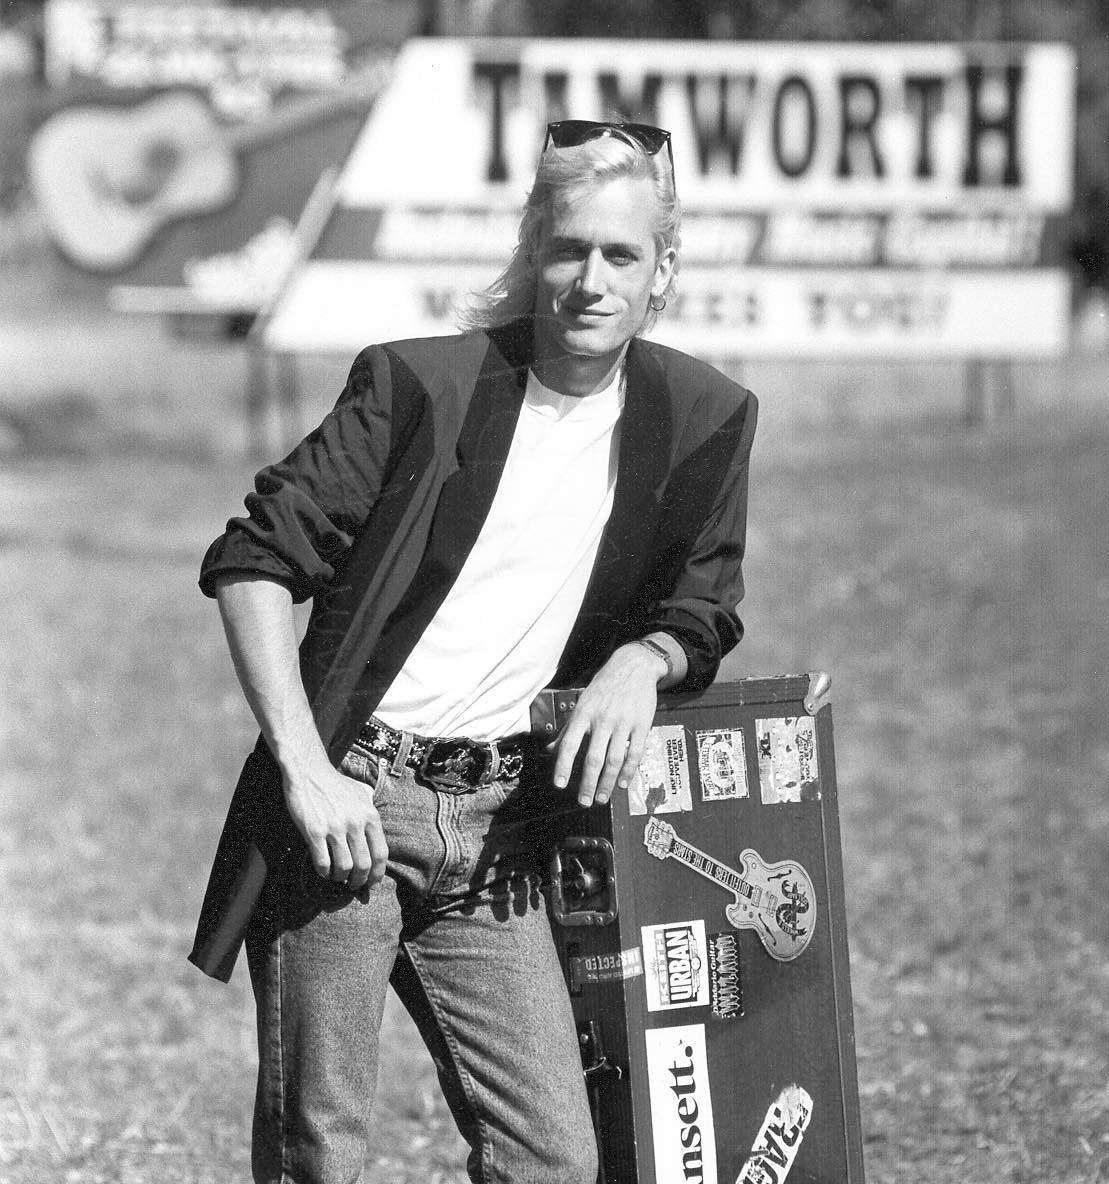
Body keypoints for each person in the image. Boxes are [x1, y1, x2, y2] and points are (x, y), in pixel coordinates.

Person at [190, 118, 758, 1184]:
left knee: (551, 1153)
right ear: (532, 250)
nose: (591, 279)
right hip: (352, 805)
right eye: (568, 247)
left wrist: (646, 661)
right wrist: (305, 767)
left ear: (662, 270)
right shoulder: (419, 387)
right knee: (324, 1151)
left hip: (497, 831)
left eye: (621, 255)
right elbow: (252, 561)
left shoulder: (702, 416)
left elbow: (706, 601)